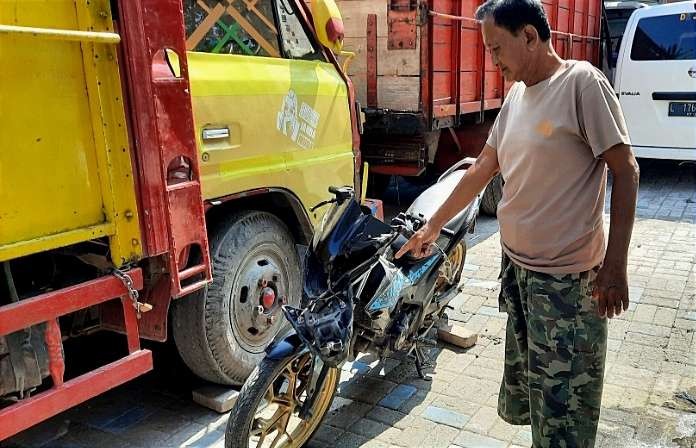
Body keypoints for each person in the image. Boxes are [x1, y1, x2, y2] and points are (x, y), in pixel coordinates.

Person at [395, 0, 640, 446]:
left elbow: (626, 170)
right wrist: (434, 226)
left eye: (496, 48)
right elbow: (482, 167)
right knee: (536, 399)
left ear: (529, 35)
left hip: (566, 285)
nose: (493, 61)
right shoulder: (517, 96)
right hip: (521, 275)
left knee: (565, 411)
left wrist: (616, 267)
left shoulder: (582, 84)